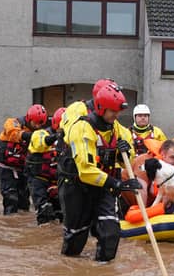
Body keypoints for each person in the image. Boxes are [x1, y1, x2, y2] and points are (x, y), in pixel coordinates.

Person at [59, 82, 141, 261]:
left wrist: (125, 152)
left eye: (118, 111)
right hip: (78, 187)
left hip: (104, 188)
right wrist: (117, 184)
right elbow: (86, 171)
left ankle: (102, 275)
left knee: (111, 234)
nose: (117, 115)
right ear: (101, 108)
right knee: (75, 240)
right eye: (113, 111)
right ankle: (71, 272)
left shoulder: (118, 129)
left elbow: (129, 160)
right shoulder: (82, 129)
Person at [0, 104, 47, 215]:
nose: (37, 126)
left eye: (40, 124)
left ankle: (21, 225)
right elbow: (14, 134)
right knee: (11, 198)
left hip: (22, 169)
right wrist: (31, 136)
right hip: (6, 168)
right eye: (35, 123)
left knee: (24, 202)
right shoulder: (13, 123)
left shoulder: (39, 132)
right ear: (29, 118)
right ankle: (9, 223)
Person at [26, 107, 66, 225]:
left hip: (58, 181)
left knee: (62, 214)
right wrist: (56, 137)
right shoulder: (41, 134)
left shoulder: (70, 139)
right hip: (39, 180)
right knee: (45, 211)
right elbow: (40, 142)